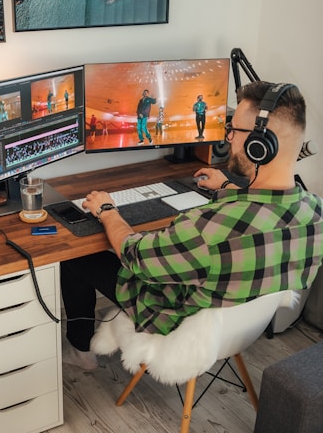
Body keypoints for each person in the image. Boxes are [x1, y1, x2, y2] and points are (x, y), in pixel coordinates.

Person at [61, 81, 323, 370]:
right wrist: (226, 185)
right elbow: (266, 211)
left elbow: (133, 254)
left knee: (77, 259)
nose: (229, 138)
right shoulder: (315, 214)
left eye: (234, 130)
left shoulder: (207, 229)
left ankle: (81, 351)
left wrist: (107, 210)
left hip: (176, 321)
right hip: (240, 330)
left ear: (260, 145)